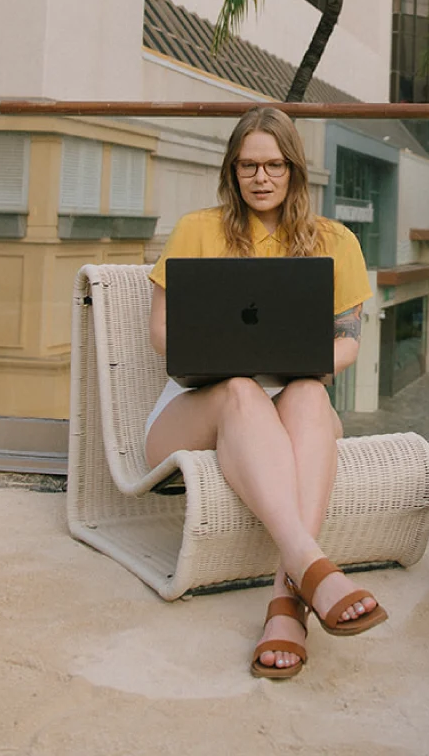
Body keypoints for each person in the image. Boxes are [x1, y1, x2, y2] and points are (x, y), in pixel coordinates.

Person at [143, 106, 383, 680]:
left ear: (294, 170)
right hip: (196, 408)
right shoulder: (198, 230)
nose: (261, 178)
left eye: (274, 165)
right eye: (248, 165)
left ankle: (286, 604)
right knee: (242, 391)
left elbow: (347, 343)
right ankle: (309, 569)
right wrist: (230, 365)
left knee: (306, 395)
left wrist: (297, 361)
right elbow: (160, 330)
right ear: (232, 171)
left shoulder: (334, 240)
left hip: (291, 402)